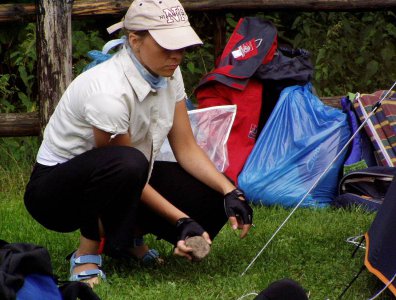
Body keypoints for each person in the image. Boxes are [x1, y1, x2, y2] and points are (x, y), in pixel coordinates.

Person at [24, 0, 253, 287]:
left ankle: (128, 240)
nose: (177, 56)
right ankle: (86, 253)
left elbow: (186, 148)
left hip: (125, 174)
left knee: (213, 198)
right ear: (134, 40)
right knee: (128, 162)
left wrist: (231, 191)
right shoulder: (109, 92)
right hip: (55, 195)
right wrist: (182, 221)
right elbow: (122, 169)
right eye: (167, 47)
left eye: (180, 47)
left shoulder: (169, 73)